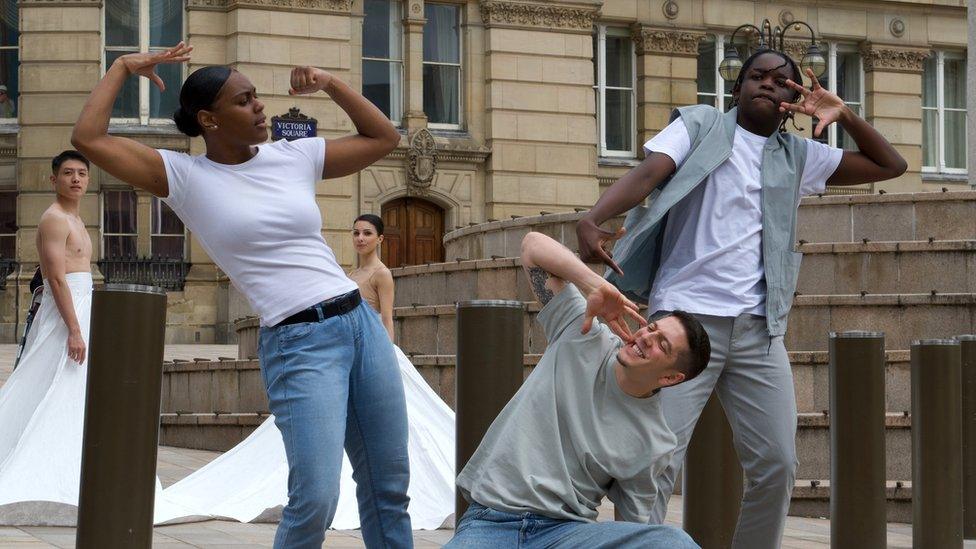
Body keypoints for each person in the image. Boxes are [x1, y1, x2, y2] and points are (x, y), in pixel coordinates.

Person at [71, 43, 410, 548]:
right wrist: (122, 67)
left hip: (358, 322)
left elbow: (384, 137)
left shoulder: (293, 155)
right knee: (316, 496)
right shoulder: (184, 177)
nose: (259, 107)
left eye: (256, 97)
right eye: (244, 100)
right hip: (299, 343)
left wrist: (331, 84)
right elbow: (89, 138)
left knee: (389, 485)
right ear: (209, 118)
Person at [577, 50, 908, 548]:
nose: (768, 85)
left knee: (777, 463)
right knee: (655, 457)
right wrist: (593, 217)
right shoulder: (701, 126)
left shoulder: (799, 156)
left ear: (793, 100)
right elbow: (647, 174)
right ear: (737, 89)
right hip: (683, 322)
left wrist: (843, 112)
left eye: (782, 82)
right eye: (757, 76)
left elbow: (891, 165)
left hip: (758, 328)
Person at [162, 214, 455, 531]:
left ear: (380, 239)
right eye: (355, 232)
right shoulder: (351, 273)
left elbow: (386, 319)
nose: (359, 238)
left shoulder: (381, 275)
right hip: (340, 353)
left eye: (367, 233)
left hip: (371, 354)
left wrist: (383, 356)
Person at [445, 231, 710, 549]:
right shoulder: (582, 333)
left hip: (565, 535)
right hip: (490, 522)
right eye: (651, 327)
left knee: (674, 543)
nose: (645, 337)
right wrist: (593, 284)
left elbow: (634, 525)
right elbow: (532, 246)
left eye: (661, 344)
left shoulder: (654, 441)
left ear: (670, 379)